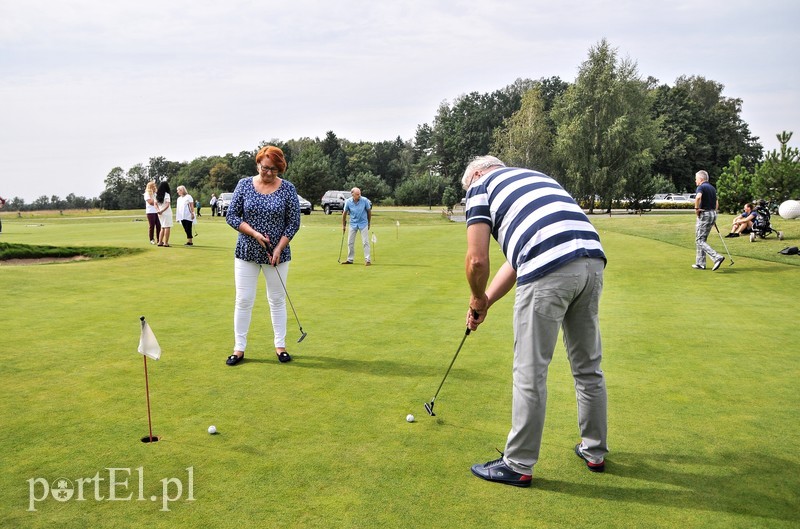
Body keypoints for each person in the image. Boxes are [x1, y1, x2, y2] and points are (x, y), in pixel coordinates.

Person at [462, 155, 608, 488]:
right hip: (591, 261)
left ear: (478, 173)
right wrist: (485, 302)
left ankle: (518, 463)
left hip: (549, 268)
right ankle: (595, 450)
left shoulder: (480, 186)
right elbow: (516, 261)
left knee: (530, 369)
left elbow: (477, 260)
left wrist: (474, 294)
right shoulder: (532, 178)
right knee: (588, 366)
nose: (467, 195)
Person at [225, 145, 301, 366]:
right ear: (258, 164)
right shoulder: (244, 185)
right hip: (247, 251)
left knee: (277, 300)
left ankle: (280, 346)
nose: (269, 173)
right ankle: (239, 348)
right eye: (265, 168)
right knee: (244, 300)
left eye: (274, 170)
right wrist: (255, 233)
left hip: (276, 255)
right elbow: (231, 216)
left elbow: (293, 222)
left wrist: (278, 248)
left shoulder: (288, 188)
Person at [693, 170, 724, 270]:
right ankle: (700, 263)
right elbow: (716, 202)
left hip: (705, 213)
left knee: (699, 240)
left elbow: (698, 197)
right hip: (712, 213)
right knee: (702, 239)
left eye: (696, 179)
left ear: (701, 179)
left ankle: (716, 257)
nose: (695, 181)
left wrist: (696, 209)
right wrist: (713, 214)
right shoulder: (712, 188)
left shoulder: (701, 187)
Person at [341, 187, 372, 266]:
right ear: (352, 194)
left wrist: (369, 223)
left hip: (363, 223)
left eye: (360, 194)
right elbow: (344, 213)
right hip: (353, 223)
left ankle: (367, 260)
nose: (359, 195)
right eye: (357, 194)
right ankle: (350, 259)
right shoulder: (348, 202)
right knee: (350, 242)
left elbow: (369, 212)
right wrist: (343, 225)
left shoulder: (364, 200)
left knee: (365, 242)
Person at [155, 181, 173, 247]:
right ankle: (166, 243)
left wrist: (158, 210)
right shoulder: (167, 194)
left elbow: (155, 204)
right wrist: (162, 211)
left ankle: (160, 242)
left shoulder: (157, 195)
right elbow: (167, 205)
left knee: (162, 227)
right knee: (167, 227)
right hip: (166, 212)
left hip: (159, 212)